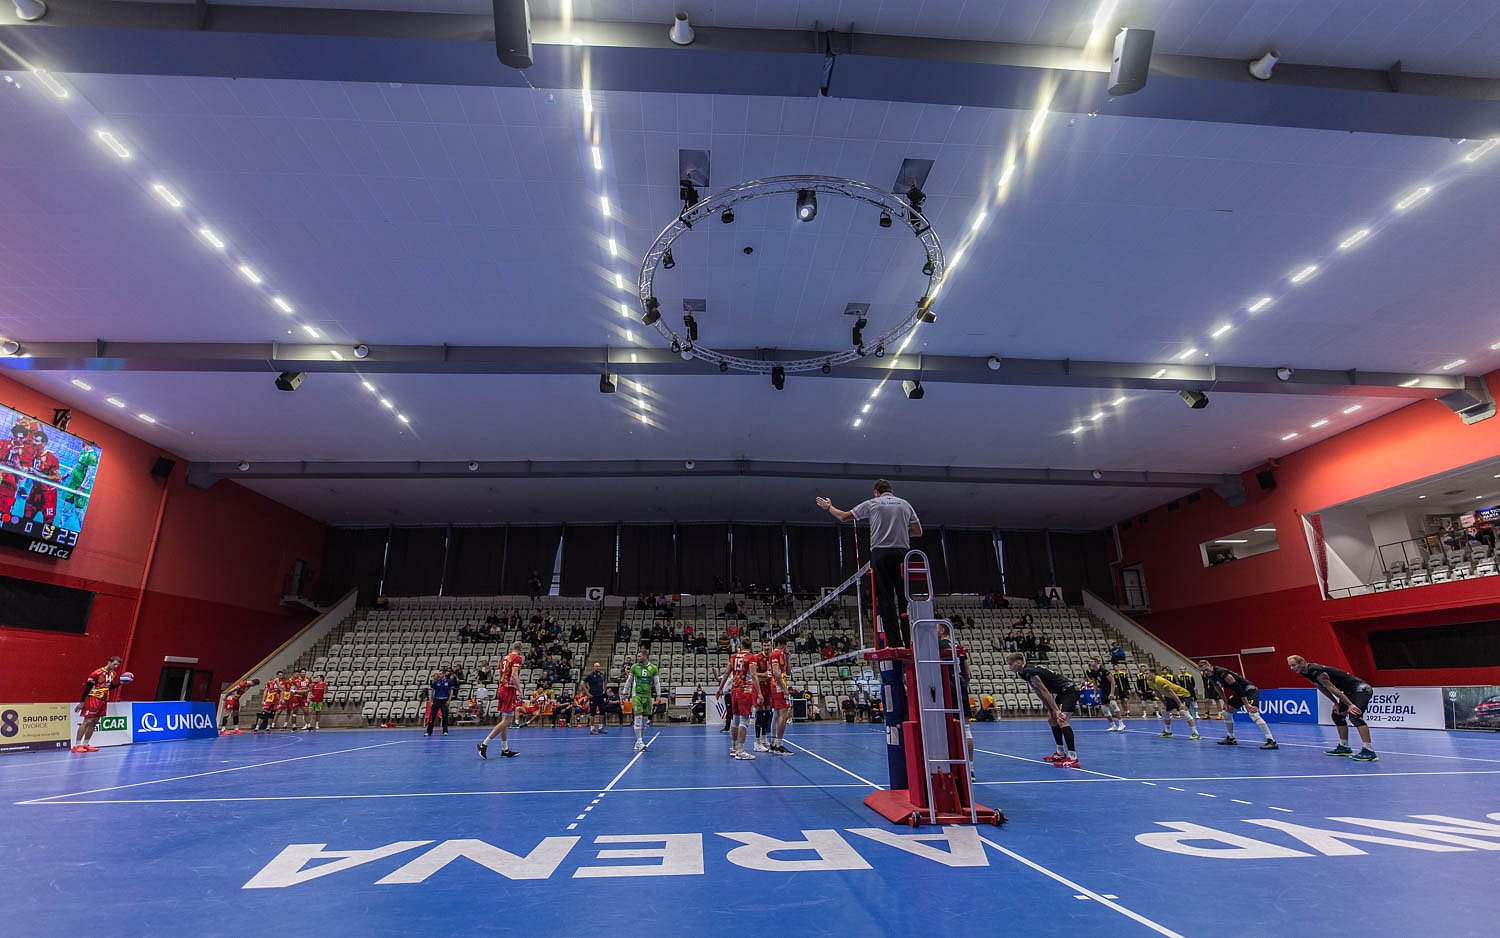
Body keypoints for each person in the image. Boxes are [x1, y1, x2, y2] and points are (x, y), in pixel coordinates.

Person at [817, 480, 922, 648]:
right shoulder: (905, 504)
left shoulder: (872, 503)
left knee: (885, 598)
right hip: (902, 554)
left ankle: (895, 642)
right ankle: (911, 641)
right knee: (905, 598)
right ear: (891, 490)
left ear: (876, 492)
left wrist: (829, 507)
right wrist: (900, 531)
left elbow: (843, 517)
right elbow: (918, 531)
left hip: (881, 553)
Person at [1288, 655, 1377, 761]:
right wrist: (1335, 703)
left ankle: (1369, 750)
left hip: (1361, 689)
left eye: (1293, 665)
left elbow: (1332, 688)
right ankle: (1344, 747)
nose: (1291, 668)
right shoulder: (1305, 672)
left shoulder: (1316, 670)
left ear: (1302, 663)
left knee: (1355, 716)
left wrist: (1350, 705)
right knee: (1337, 715)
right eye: (1290, 666)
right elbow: (1322, 688)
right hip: (1349, 692)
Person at [1007, 652, 1081, 767]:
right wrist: (1050, 708)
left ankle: (1073, 757)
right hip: (1062, 692)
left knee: (1061, 719)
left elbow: (1044, 690)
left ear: (1019, 662)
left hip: (1070, 690)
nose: (1009, 667)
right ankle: (1060, 753)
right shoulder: (1023, 673)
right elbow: (1038, 690)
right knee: (1051, 718)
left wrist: (1056, 710)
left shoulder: (1030, 671)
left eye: (1011, 664)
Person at [1197, 660, 1277, 749]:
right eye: (1203, 671)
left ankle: (1271, 741)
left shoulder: (1221, 672)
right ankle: (1231, 738)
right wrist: (1225, 702)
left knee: (1253, 714)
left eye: (1206, 669)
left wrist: (1247, 704)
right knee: (1226, 713)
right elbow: (1218, 688)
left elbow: (1237, 688)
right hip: (1239, 693)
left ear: (1210, 666)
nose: (1206, 672)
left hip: (1249, 690)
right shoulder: (1208, 676)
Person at [937, 622, 975, 778]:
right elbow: (968, 674)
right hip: (960, 684)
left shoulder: (938, 645)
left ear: (942, 630)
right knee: (966, 728)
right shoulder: (958, 647)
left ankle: (950, 766)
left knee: (946, 727)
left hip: (947, 685)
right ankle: (970, 769)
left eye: (935, 628)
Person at [478, 642, 524, 759]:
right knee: (507, 721)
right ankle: (484, 744)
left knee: (505, 721)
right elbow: (514, 675)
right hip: (508, 690)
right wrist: (520, 690)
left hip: (502, 688)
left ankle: (505, 749)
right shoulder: (517, 658)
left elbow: (500, 674)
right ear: (521, 649)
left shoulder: (505, 658)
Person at [74, 656, 129, 752]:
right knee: (87, 721)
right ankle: (77, 745)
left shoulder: (113, 674)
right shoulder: (96, 673)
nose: (115, 666)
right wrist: (82, 702)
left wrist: (120, 683)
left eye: (117, 665)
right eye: (114, 664)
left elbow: (108, 687)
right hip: (93, 698)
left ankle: (86, 744)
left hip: (104, 700)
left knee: (94, 723)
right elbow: (87, 687)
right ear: (109, 662)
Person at [1140, 667, 1201, 739]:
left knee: (1183, 711)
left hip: (1183, 695)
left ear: (1153, 674)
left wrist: (1180, 704)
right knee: (1164, 711)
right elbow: (1157, 693)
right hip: (1170, 696)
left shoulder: (1160, 680)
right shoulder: (1149, 682)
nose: (1145, 675)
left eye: (1147, 673)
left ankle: (1196, 733)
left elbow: (1171, 692)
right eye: (1145, 674)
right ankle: (1167, 732)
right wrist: (1164, 703)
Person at [624, 646, 660, 752]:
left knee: (644, 721)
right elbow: (629, 681)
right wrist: (624, 692)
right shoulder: (634, 667)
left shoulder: (653, 668)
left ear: (645, 656)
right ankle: (640, 741)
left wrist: (658, 695)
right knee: (638, 718)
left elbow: (657, 683)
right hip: (637, 695)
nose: (637, 658)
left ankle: (638, 742)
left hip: (647, 696)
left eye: (639, 656)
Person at [1084, 656, 1126, 732]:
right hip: (1104, 690)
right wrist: (1095, 695)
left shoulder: (1103, 670)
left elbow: (1112, 681)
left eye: (1091, 661)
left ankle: (1121, 724)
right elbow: (1095, 684)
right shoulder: (1093, 672)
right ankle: (1113, 725)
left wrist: (1112, 693)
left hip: (1111, 688)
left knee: (1113, 704)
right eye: (1089, 661)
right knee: (1104, 709)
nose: (1090, 663)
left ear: (1096, 662)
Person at [579, 661, 609, 735]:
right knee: (592, 713)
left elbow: (603, 682)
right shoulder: (590, 675)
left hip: (600, 696)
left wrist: (604, 689)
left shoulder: (602, 674)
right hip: (593, 696)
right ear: (594, 667)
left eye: (599, 666)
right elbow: (582, 683)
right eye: (596, 666)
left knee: (602, 711)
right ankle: (592, 729)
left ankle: (600, 727)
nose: (598, 667)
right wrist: (587, 693)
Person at [426, 669, 456, 736]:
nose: (439, 675)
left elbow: (451, 691)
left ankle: (445, 731)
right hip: (436, 700)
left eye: (440, 674)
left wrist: (449, 700)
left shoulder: (449, 682)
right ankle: (429, 731)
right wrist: (431, 701)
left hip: (444, 700)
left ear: (444, 674)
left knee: (445, 716)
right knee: (432, 716)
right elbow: (432, 691)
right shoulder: (436, 682)